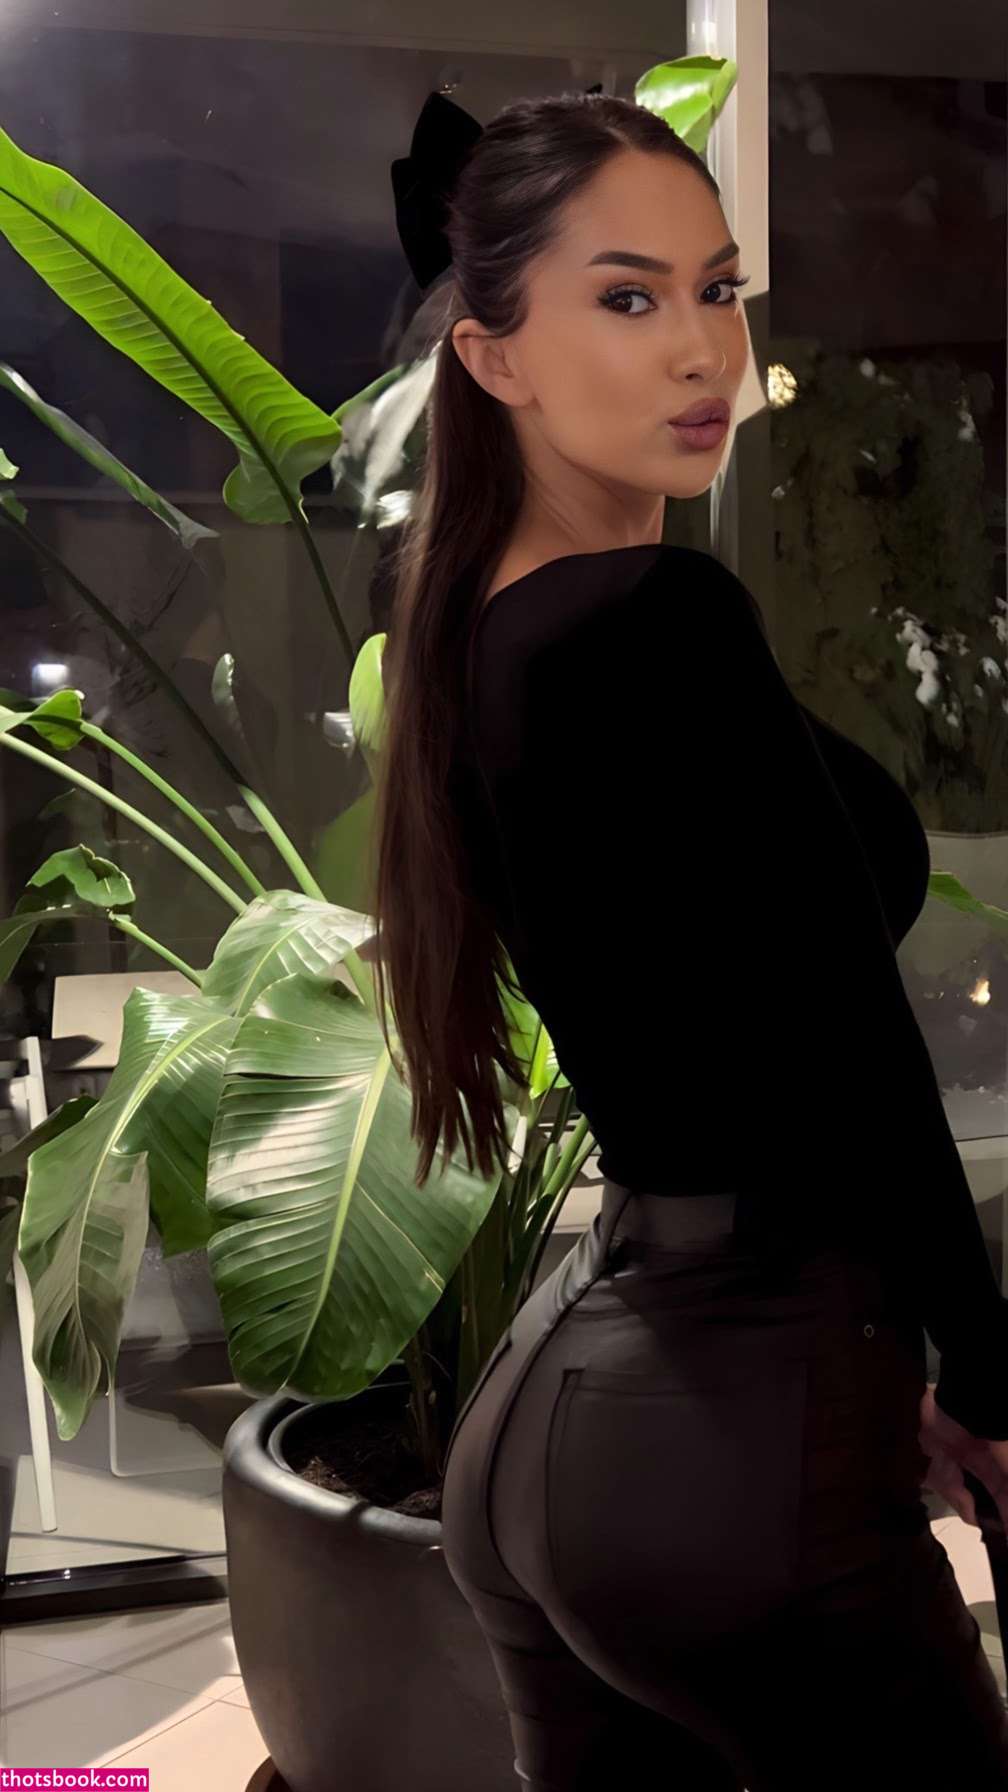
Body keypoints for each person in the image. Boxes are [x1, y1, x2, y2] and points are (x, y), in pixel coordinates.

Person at [371, 87, 1008, 1788]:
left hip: (573, 1422)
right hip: (730, 1417)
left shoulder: (482, 632)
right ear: (494, 355)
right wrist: (991, 1374)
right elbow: (850, 1043)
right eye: (627, 296)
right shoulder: (655, 619)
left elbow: (720, 1042)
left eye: (718, 290)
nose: (700, 348)